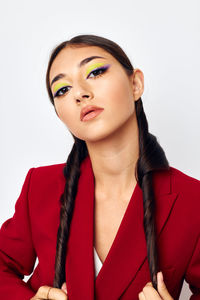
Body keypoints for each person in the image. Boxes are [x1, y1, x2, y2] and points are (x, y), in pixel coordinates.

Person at [0, 34, 199, 300]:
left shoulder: (192, 199)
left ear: (136, 83)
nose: (80, 93)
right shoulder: (40, 185)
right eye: (62, 90)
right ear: (61, 115)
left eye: (95, 72)